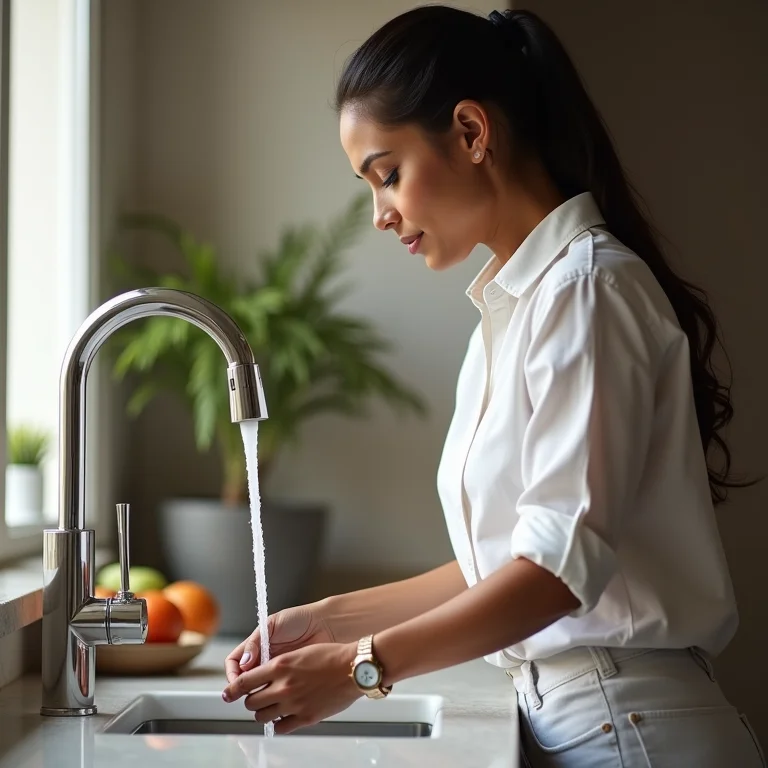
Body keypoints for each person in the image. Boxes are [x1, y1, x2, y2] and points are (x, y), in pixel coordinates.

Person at [221, 6, 764, 766]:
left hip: (633, 730)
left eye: (388, 175)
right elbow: (507, 564)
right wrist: (328, 621)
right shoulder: (513, 313)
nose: (380, 214)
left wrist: (359, 667)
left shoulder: (589, 291)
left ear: (473, 133)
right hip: (593, 720)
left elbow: (552, 574)